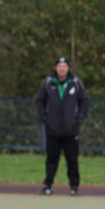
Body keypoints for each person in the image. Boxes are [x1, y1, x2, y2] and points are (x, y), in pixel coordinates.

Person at [35, 56, 89, 196]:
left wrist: (79, 118)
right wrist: (44, 118)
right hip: (53, 130)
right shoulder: (48, 83)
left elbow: (84, 101)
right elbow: (40, 101)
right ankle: (47, 186)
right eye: (59, 66)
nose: (62, 69)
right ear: (55, 68)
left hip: (71, 130)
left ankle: (74, 187)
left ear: (68, 68)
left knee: (72, 160)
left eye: (64, 66)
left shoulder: (76, 82)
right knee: (51, 159)